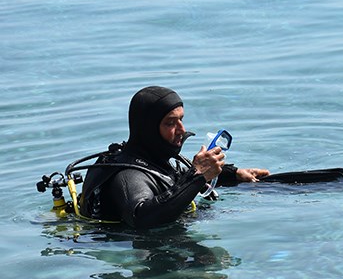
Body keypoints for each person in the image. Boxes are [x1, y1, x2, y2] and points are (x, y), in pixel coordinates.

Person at [79, 86, 270, 228]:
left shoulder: (153, 158)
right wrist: (197, 175)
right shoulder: (128, 175)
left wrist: (234, 174)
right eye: (170, 123)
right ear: (148, 128)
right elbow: (142, 218)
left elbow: (177, 178)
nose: (182, 130)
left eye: (181, 119)